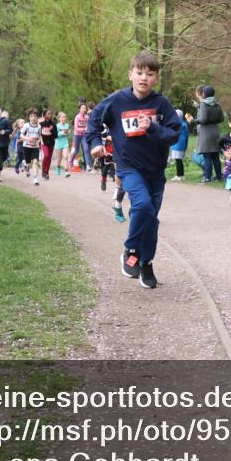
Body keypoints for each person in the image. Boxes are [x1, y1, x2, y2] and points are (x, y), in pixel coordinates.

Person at [87, 51, 182, 289]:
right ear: (130, 74)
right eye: (139, 73)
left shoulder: (161, 104)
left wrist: (153, 127)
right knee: (142, 206)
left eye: (149, 74)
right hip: (129, 167)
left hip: (155, 170)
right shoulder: (116, 101)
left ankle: (146, 262)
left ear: (156, 78)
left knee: (151, 219)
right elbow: (93, 122)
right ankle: (130, 248)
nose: (143, 78)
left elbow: (173, 134)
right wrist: (96, 144)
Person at [188, 85, 224, 183]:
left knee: (207, 156)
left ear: (204, 94)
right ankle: (218, 176)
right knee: (216, 156)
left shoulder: (203, 104)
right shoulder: (217, 104)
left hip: (206, 132)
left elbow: (203, 119)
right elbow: (221, 119)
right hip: (215, 131)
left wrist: (193, 121)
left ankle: (207, 177)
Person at [20, 110, 42, 186]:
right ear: (29, 118)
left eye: (35, 116)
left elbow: (40, 135)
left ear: (37, 117)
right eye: (31, 116)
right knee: (28, 163)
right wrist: (27, 139)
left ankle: (35, 178)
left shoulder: (39, 126)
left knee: (35, 162)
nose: (33, 118)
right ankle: (25, 165)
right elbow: (21, 135)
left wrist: (39, 140)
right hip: (27, 146)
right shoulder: (26, 125)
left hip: (35, 147)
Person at [169, 109, 188, 181]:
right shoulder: (184, 124)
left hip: (176, 144)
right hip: (182, 144)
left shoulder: (176, 124)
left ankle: (179, 175)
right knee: (179, 160)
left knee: (178, 160)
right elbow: (186, 136)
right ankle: (182, 175)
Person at [73, 103, 92, 172]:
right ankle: (70, 161)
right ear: (79, 109)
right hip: (77, 135)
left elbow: (89, 125)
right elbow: (76, 128)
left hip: (84, 135)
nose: (84, 109)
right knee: (76, 150)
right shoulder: (77, 117)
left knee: (86, 149)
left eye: (85, 108)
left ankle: (88, 166)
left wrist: (87, 129)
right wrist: (84, 129)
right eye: (82, 108)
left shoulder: (87, 117)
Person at [38, 109, 56, 180]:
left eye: (50, 114)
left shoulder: (53, 123)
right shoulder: (41, 124)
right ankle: (43, 171)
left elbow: (56, 135)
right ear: (44, 115)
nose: (50, 115)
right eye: (48, 113)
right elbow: (39, 134)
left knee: (49, 158)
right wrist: (41, 141)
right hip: (44, 143)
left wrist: (51, 130)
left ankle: (46, 172)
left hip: (51, 143)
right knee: (46, 155)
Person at [55, 111, 72, 177]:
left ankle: (66, 171)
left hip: (65, 143)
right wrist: (62, 132)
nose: (64, 118)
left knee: (65, 157)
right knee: (59, 159)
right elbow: (56, 135)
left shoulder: (67, 125)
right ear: (59, 118)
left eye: (65, 117)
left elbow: (69, 132)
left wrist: (68, 132)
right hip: (58, 144)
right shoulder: (57, 126)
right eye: (62, 117)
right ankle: (58, 167)